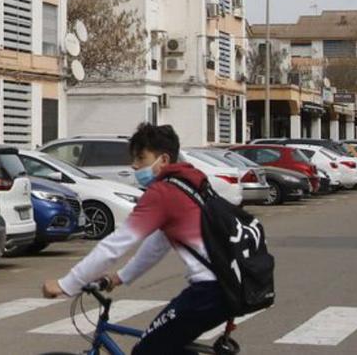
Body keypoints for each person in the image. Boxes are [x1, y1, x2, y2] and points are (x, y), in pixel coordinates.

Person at [42, 123, 234, 354]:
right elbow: (157, 245)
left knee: (146, 351)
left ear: (163, 160)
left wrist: (67, 284)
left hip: (210, 291)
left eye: (141, 158)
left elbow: (115, 244)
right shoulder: (189, 183)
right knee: (167, 346)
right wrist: (120, 277)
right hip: (227, 285)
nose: (134, 165)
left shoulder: (163, 193)